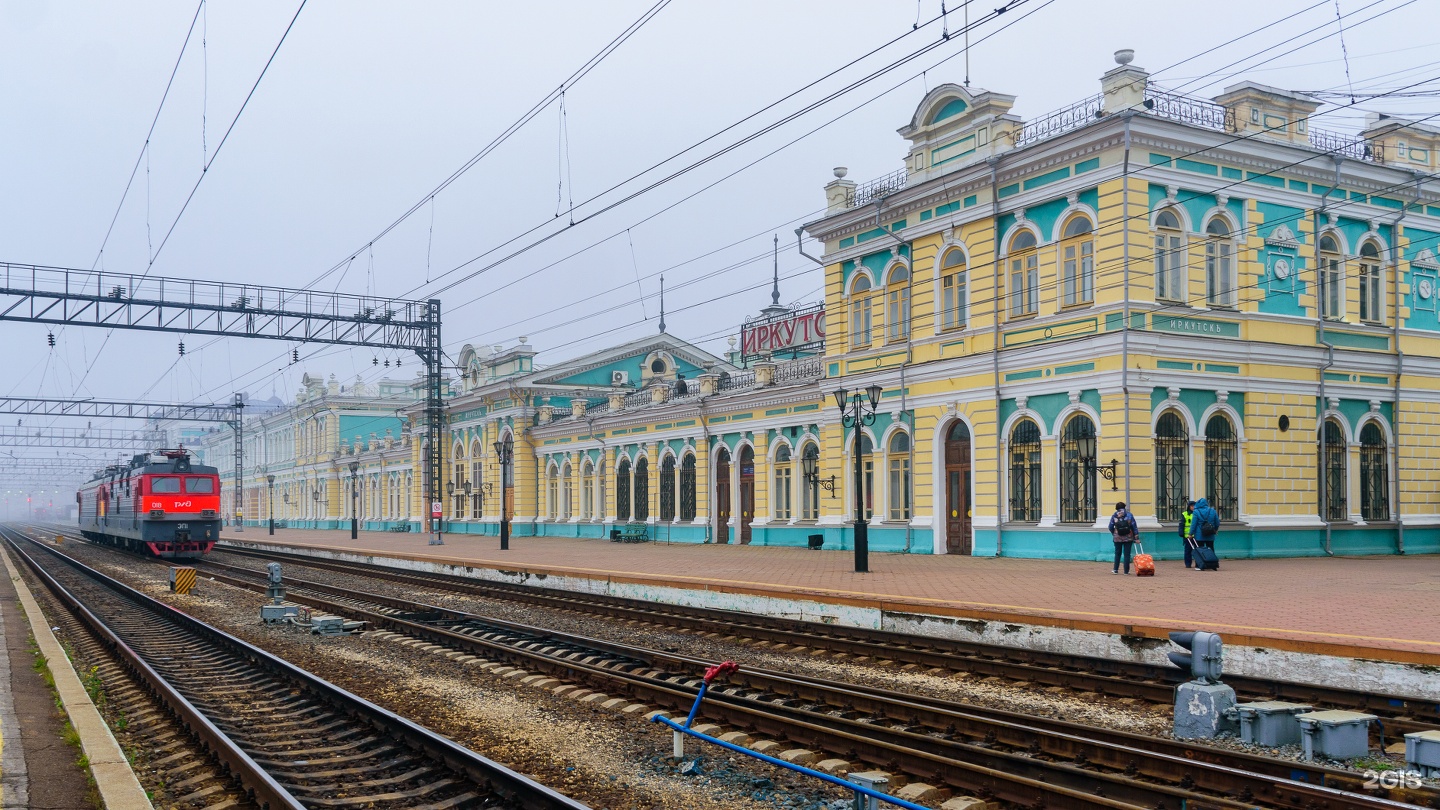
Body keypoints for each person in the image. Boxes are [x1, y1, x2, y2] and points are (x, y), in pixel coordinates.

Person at [1108, 501, 1139, 575]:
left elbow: (1110, 526)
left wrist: (1114, 533)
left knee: (1117, 553)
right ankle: (1126, 571)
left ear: (1116, 508)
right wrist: (1136, 536)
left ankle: (1115, 570)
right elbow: (1134, 526)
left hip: (1117, 537)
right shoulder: (1129, 515)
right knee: (1127, 554)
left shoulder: (1114, 516)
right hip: (1128, 537)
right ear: (1124, 507)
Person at [1192, 497, 1220, 570]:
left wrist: (1190, 533)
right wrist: (1215, 529)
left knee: (1199, 549)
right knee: (1211, 549)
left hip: (1199, 534)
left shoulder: (1196, 512)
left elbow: (1193, 524)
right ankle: (1213, 565)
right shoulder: (1212, 511)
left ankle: (1199, 565)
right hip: (1210, 533)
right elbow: (1217, 522)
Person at [1178, 500, 1197, 570]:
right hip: (1187, 536)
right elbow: (1181, 524)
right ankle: (1188, 564)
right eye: (1192, 506)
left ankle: (1198, 563)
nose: (1193, 507)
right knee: (1188, 550)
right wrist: (1181, 533)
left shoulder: (1196, 513)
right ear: (1189, 507)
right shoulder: (1185, 514)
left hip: (1196, 536)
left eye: (1194, 506)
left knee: (1196, 550)